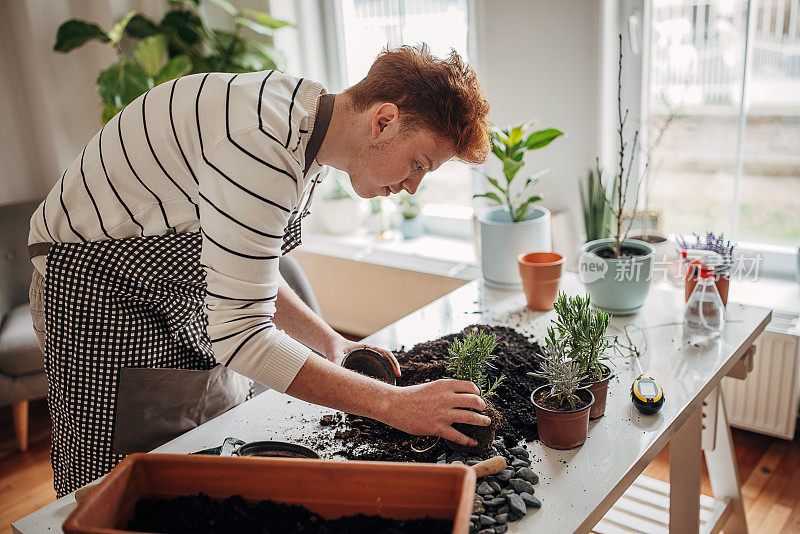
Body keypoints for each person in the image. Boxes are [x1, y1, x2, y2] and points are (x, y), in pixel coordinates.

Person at [28, 44, 491, 496]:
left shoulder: (313, 129)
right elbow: (243, 338)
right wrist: (395, 405)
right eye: (418, 164)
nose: (412, 186)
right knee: (120, 483)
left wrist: (329, 341)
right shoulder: (261, 147)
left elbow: (249, 267)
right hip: (95, 289)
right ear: (383, 121)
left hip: (171, 286)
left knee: (208, 457)